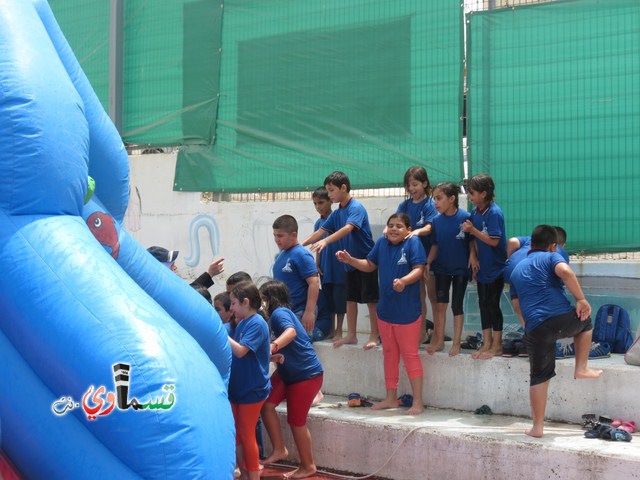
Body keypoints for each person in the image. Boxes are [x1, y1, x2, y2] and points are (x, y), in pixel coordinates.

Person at [509, 225, 603, 438]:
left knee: (539, 377)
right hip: (560, 318)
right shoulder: (550, 258)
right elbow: (565, 271)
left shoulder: (515, 270)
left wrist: (526, 325)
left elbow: (516, 302)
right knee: (585, 321)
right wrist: (580, 298)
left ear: (530, 245)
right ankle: (582, 367)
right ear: (553, 246)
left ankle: (537, 428)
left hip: (535, 328)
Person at [336, 213, 425, 415]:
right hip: (385, 312)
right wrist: (350, 260)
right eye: (391, 225)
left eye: (399, 226)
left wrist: (404, 281)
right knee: (389, 355)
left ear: (408, 230)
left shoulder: (414, 243)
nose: (394, 229)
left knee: (410, 356)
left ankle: (418, 402)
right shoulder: (382, 243)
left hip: (408, 313)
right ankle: (391, 398)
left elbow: (419, 269)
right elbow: (369, 265)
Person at [302, 171, 379, 350]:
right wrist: (300, 245)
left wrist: (326, 241)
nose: (329, 195)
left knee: (370, 300)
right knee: (350, 299)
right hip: (349, 261)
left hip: (366, 260)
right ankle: (351, 335)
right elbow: (321, 230)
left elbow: (347, 229)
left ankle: (374, 334)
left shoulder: (356, 208)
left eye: (331, 191)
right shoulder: (337, 212)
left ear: (343, 188)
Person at [258, 280, 324, 479]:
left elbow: (291, 332)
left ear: (270, 299)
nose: (261, 304)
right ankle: (279, 449)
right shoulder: (277, 316)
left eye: (262, 300)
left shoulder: (279, 314)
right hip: (288, 372)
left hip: (305, 375)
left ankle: (308, 466)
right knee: (266, 405)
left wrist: (273, 346)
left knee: (296, 421)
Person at [227, 281, 272, 480]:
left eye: (234, 303)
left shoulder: (256, 323)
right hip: (239, 388)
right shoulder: (243, 322)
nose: (231, 308)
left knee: (246, 434)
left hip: (252, 389)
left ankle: (253, 475)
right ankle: (245, 473)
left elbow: (241, 351)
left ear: (246, 302)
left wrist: (222, 336)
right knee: (238, 434)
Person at [461, 174, 507, 359]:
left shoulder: (494, 213)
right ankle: (486, 342)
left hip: (496, 268)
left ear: (484, 193)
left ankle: (497, 344)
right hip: (482, 267)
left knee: (493, 304)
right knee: (482, 304)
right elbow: (472, 240)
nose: (470, 197)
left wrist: (473, 230)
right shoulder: (475, 212)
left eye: (472, 193)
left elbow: (494, 241)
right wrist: (473, 256)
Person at [426, 183, 473, 356]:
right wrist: (428, 262)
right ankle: (438, 340)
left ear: (452, 199)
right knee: (440, 306)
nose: (436, 203)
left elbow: (472, 242)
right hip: (442, 269)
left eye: (439, 198)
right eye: (434, 199)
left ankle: (456, 343)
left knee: (457, 306)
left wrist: (473, 257)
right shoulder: (436, 221)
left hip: (460, 269)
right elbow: (435, 245)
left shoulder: (466, 217)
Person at [395, 166, 438, 345]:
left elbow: (430, 227)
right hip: (411, 260)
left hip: (429, 257)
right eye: (409, 185)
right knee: (418, 297)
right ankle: (421, 333)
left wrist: (416, 232)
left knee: (433, 296)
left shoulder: (430, 204)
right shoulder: (404, 205)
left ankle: (438, 332)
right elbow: (394, 223)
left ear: (425, 183)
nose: (412, 189)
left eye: (415, 184)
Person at [505, 227, 569, 328]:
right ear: (560, 245)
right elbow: (562, 276)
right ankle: (537, 328)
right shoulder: (559, 251)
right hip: (531, 276)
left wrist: (510, 258)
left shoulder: (530, 240)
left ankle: (527, 329)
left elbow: (512, 241)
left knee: (518, 297)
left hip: (510, 272)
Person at [272, 215, 320, 333]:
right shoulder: (281, 255)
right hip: (283, 312)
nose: (277, 239)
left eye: (280, 236)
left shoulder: (301, 255)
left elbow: (314, 283)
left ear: (294, 235)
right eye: (274, 235)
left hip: (299, 311)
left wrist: (309, 312)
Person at [312, 186, 346, 341]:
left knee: (339, 298)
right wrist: (317, 262)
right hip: (325, 265)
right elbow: (317, 244)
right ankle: (331, 329)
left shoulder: (338, 218)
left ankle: (339, 329)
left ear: (330, 202)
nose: (318, 207)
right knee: (327, 298)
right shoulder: (318, 223)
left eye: (321, 202)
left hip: (338, 265)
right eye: (315, 204)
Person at [146, 246, 225, 290]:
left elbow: (186, 293)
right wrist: (209, 274)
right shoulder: (157, 289)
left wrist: (209, 273)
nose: (175, 267)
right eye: (172, 264)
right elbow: (187, 296)